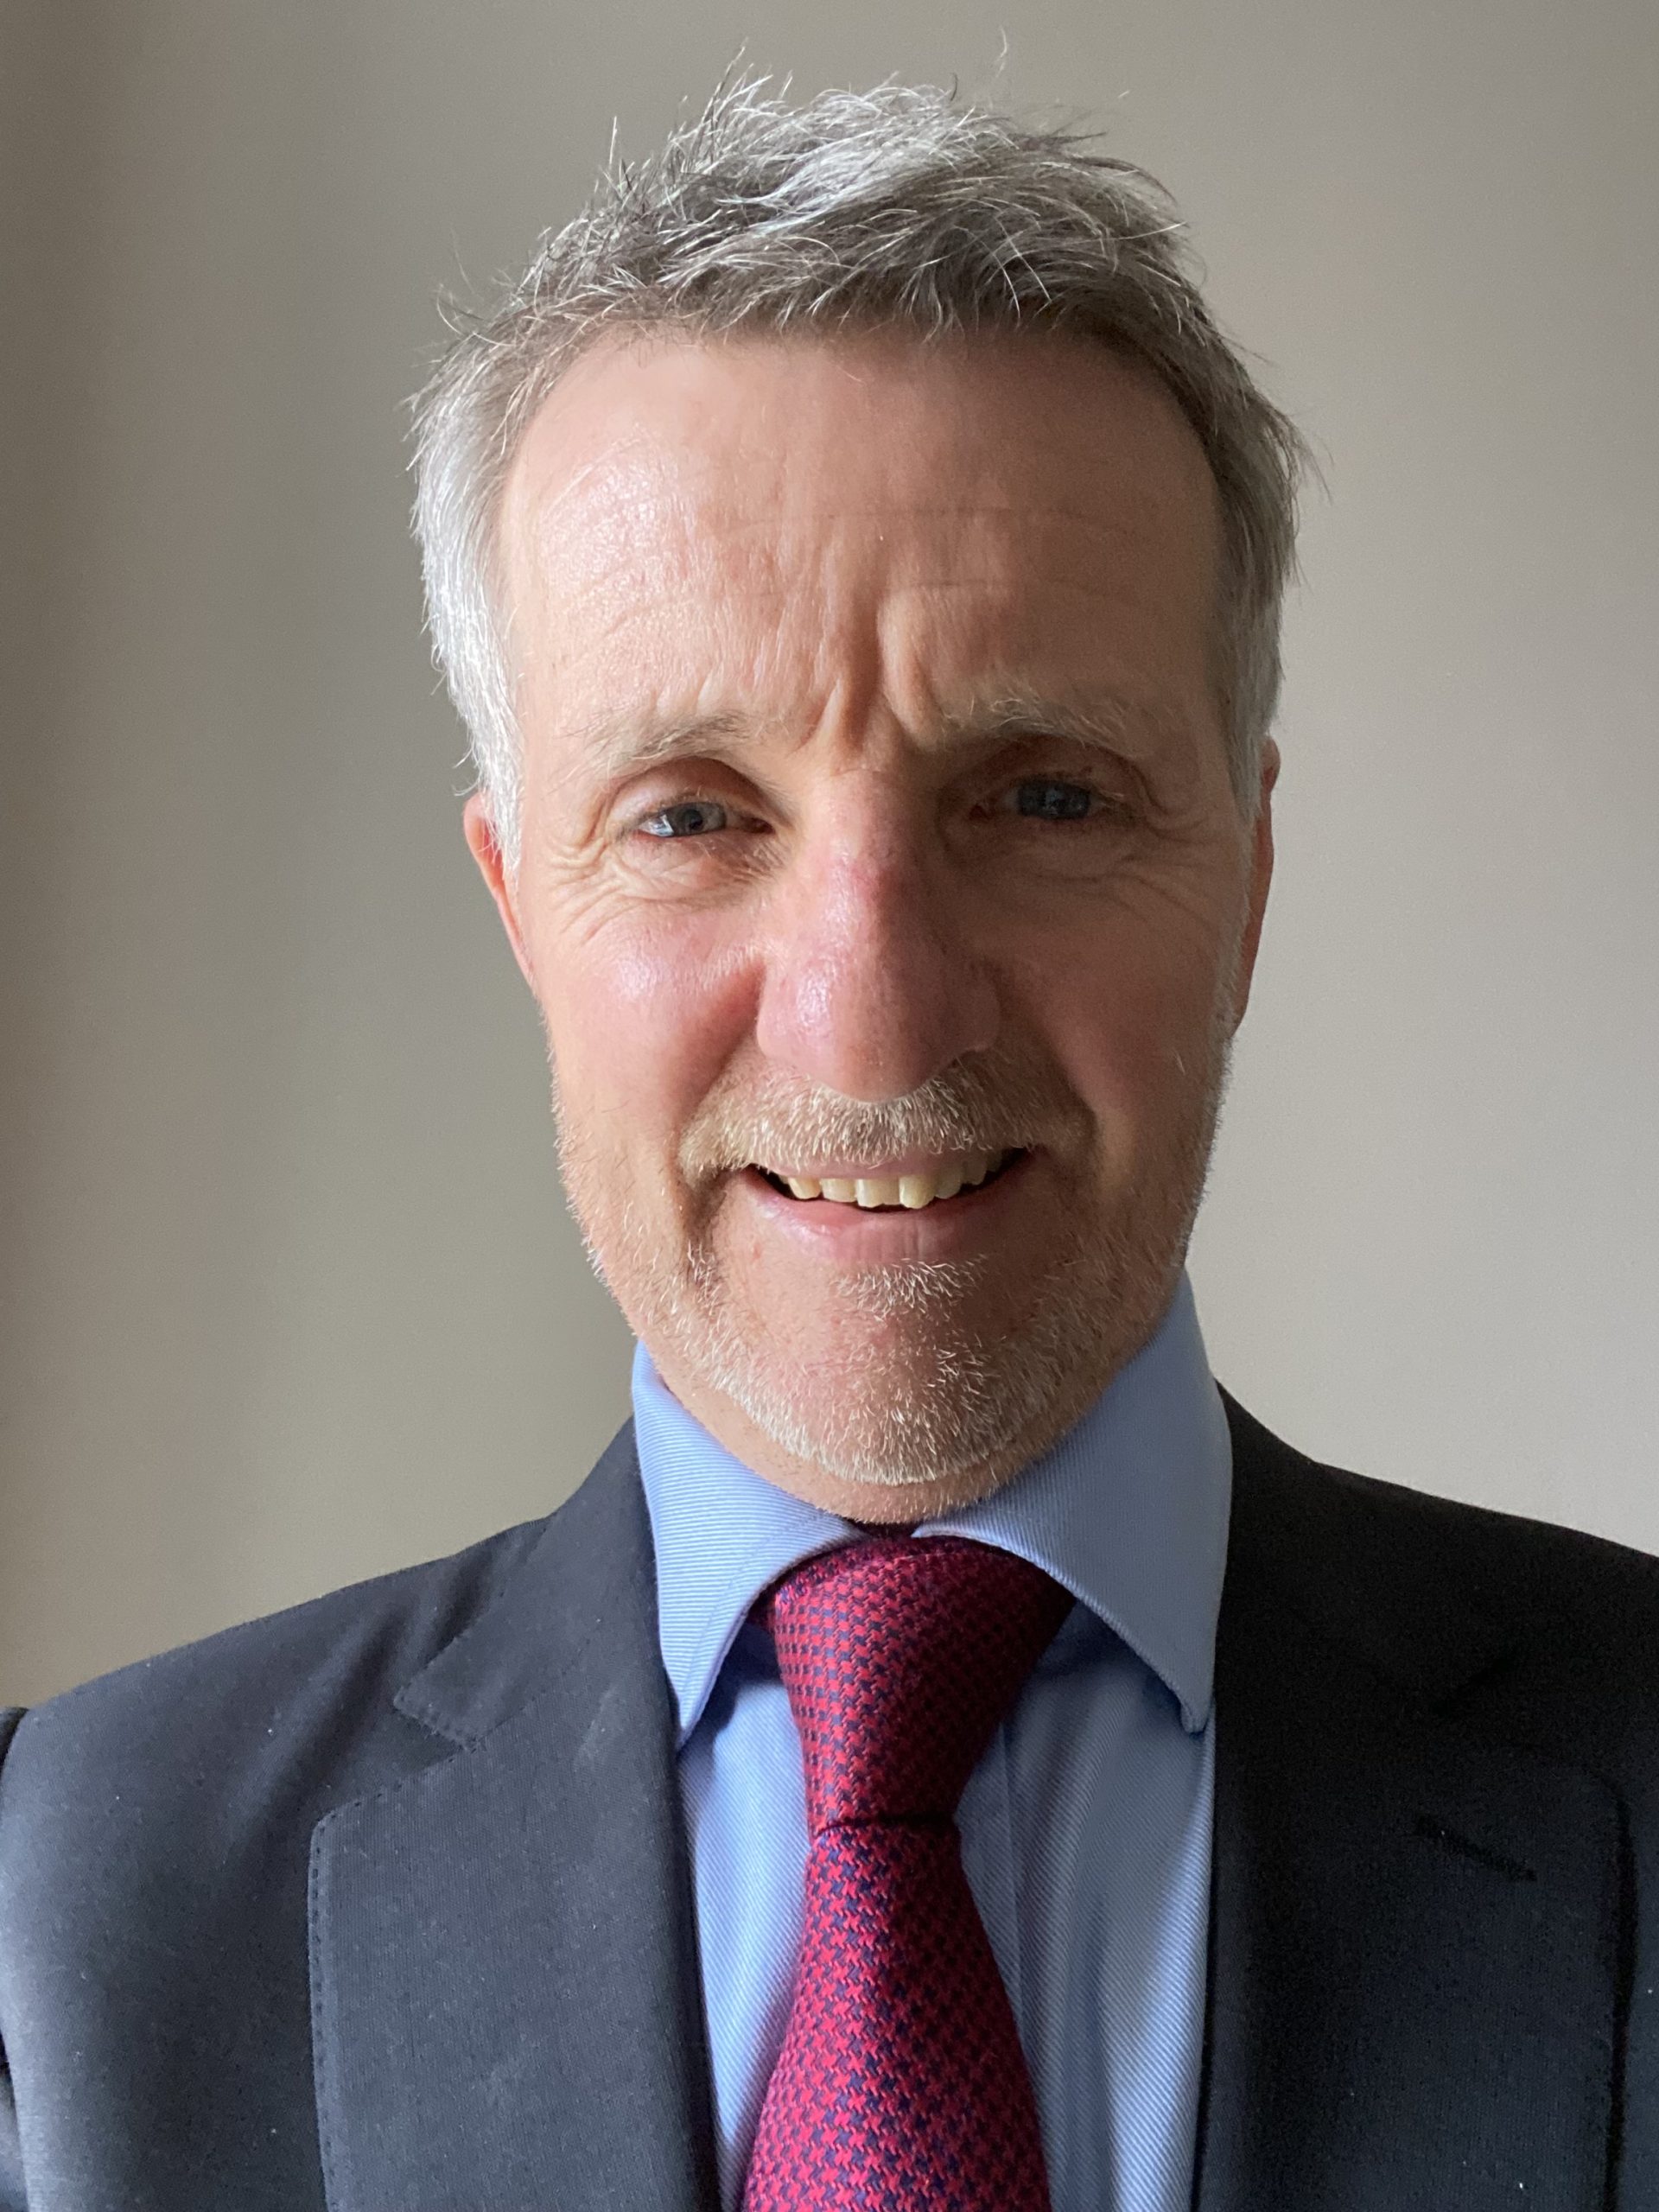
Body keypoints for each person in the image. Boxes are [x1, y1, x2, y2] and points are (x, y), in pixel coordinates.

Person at [0, 78, 1653, 2212]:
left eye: (1044, 796)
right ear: (522, 909)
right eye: (693, 814)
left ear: (1245, 884)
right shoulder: (76, 1888)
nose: (872, 1014)